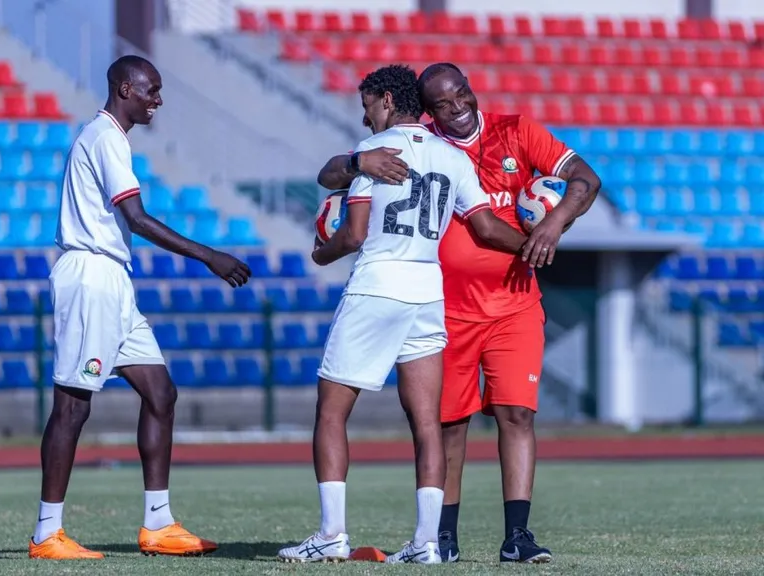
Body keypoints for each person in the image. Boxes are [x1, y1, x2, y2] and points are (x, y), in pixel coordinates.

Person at [315, 62, 601, 565]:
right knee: (446, 424)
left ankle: (517, 536)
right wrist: (361, 163)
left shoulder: (516, 132)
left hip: (510, 303)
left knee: (517, 414)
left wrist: (550, 228)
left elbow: (584, 180)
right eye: (444, 104)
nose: (459, 107)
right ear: (429, 111)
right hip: (446, 306)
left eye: (463, 95)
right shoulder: (430, 145)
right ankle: (440, 538)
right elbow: (485, 226)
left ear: (472, 90)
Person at [277, 64, 530, 565]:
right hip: (426, 292)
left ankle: (331, 535)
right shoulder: (450, 156)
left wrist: (319, 253)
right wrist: (534, 244)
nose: (364, 112)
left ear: (387, 102)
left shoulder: (375, 155)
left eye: (368, 103)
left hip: (377, 287)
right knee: (426, 423)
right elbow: (484, 227)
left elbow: (351, 234)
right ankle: (427, 543)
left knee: (332, 411)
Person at [29, 55, 251, 560]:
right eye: (151, 90)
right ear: (125, 88)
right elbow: (137, 217)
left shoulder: (112, 138)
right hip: (90, 277)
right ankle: (46, 533)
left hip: (113, 281)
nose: (158, 100)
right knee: (73, 406)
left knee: (161, 393)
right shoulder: (105, 136)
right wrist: (208, 255)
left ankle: (157, 524)